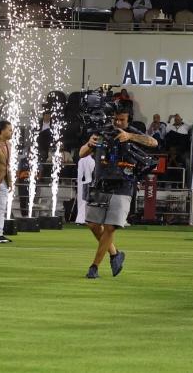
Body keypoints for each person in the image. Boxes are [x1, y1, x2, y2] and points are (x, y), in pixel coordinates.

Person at [78, 106, 158, 279]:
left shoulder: (131, 131)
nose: (118, 122)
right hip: (100, 182)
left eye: (122, 119)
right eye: (116, 119)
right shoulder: (103, 131)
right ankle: (115, 254)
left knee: (110, 227)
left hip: (123, 185)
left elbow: (153, 142)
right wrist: (89, 144)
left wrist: (130, 136)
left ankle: (94, 268)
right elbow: (82, 153)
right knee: (92, 224)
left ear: (128, 119)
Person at [74, 154, 95, 224]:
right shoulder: (91, 161)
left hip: (81, 183)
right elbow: (93, 172)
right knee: (86, 201)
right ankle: (82, 219)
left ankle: (81, 218)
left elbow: (79, 173)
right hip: (89, 182)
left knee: (81, 201)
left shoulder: (81, 160)